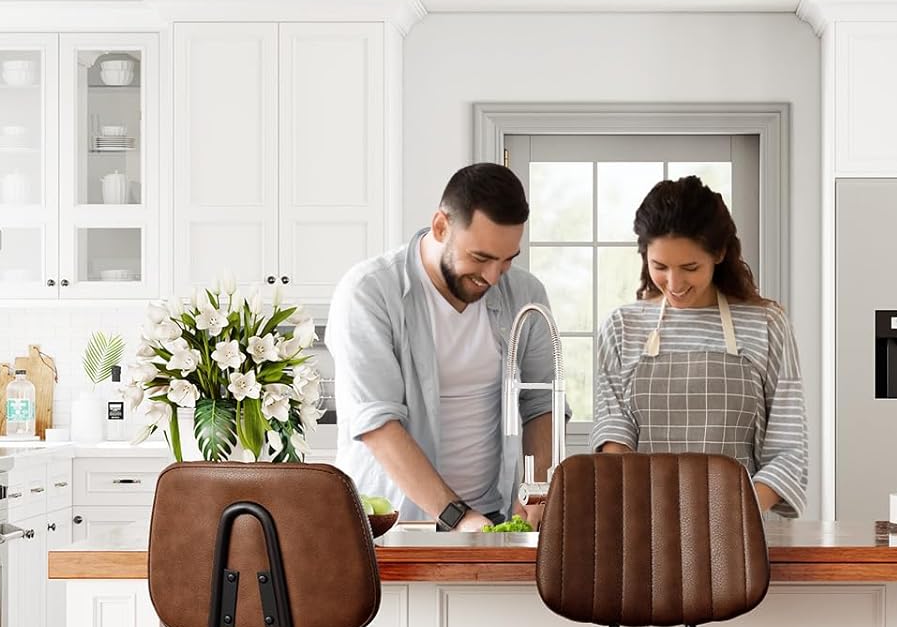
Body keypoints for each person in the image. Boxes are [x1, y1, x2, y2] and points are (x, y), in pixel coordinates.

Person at [329, 162, 561, 530]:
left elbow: (542, 404)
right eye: (481, 258)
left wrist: (535, 494)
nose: (492, 277)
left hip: (492, 514)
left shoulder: (525, 294)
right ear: (441, 226)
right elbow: (377, 423)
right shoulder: (369, 292)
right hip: (391, 526)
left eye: (507, 261)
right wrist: (459, 517)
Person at [592, 175, 807, 516]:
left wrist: (731, 512)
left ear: (719, 253)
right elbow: (615, 435)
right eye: (660, 266)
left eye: (690, 267)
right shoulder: (622, 327)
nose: (674, 284)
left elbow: (788, 448)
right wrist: (641, 510)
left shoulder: (766, 324)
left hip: (737, 526)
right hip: (644, 524)